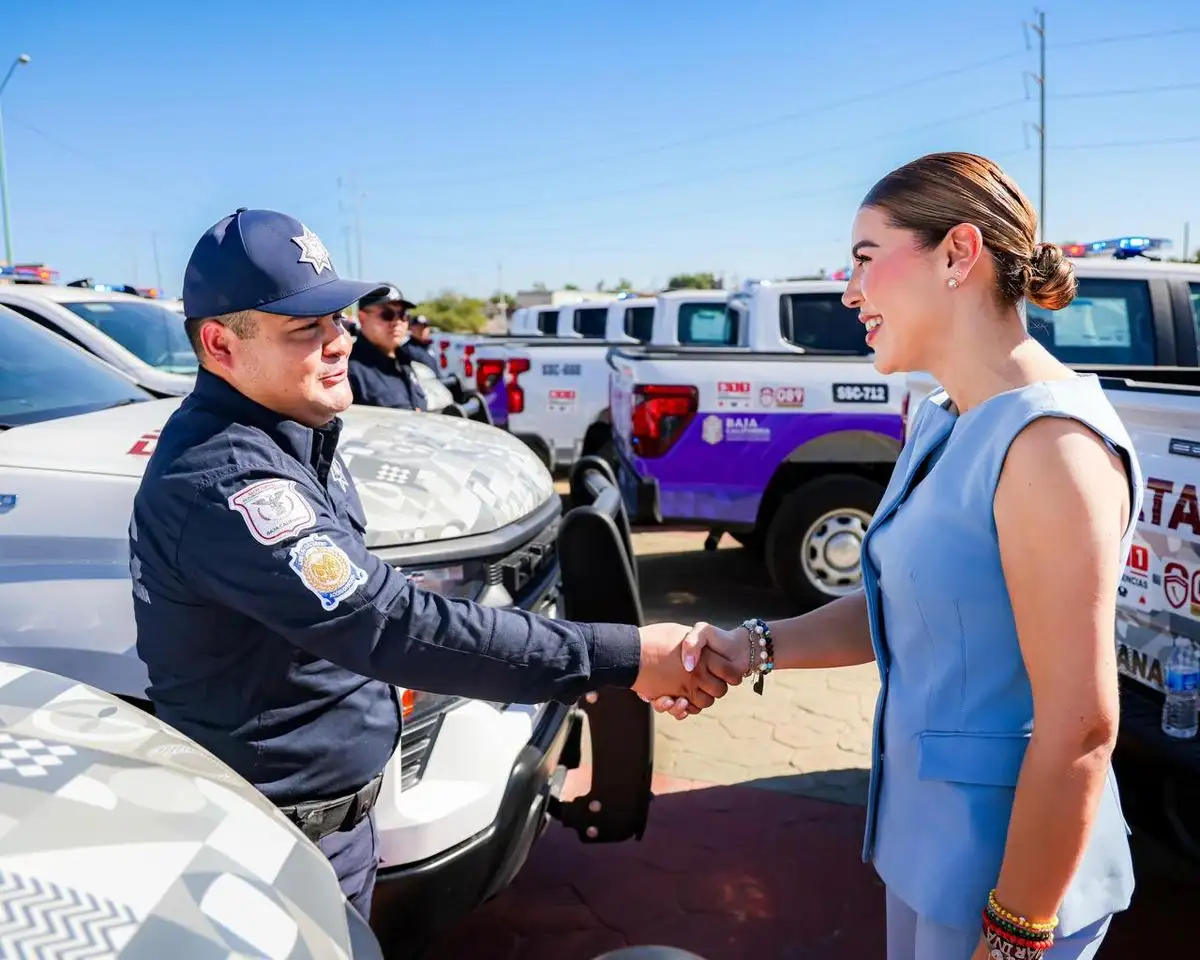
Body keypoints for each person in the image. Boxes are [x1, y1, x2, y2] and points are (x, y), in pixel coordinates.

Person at [128, 207, 739, 919]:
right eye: (306, 330)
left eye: (338, 319)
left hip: (324, 831)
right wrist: (627, 657)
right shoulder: (229, 482)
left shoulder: (290, 431)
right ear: (218, 344)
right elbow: (390, 626)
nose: (339, 341)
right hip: (279, 851)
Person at [655, 153, 1140, 960]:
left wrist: (1016, 934)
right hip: (930, 857)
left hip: (1014, 885)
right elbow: (904, 605)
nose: (848, 292)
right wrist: (750, 647)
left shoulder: (1052, 447)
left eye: (865, 260)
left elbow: (1082, 727)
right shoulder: (945, 417)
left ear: (957, 254)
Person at [347, 283, 427, 411]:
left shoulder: (404, 360)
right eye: (387, 315)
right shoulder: (348, 370)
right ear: (362, 318)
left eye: (402, 315)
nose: (397, 322)